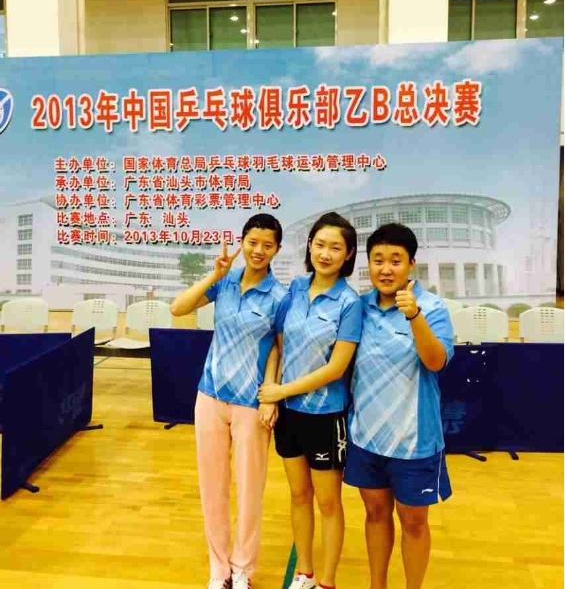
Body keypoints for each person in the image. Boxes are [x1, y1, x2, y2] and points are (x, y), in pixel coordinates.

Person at [170, 214, 287, 589]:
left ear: (277, 249)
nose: (258, 250)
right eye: (252, 242)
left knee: (250, 490)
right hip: (209, 396)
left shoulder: (280, 296)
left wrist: (270, 395)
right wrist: (214, 275)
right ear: (242, 242)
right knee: (213, 488)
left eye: (267, 244)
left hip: (251, 404)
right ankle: (218, 568)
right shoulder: (225, 282)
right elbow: (178, 308)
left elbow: (278, 348)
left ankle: (242, 570)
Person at [344, 222, 454, 589]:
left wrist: (414, 316)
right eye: (378, 260)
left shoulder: (432, 307)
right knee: (375, 514)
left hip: (414, 441)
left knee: (414, 523)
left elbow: (436, 362)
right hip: (366, 436)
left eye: (395, 260)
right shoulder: (359, 307)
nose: (386, 269)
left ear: (411, 265)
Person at [258, 212, 362, 589]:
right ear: (309, 246)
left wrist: (281, 391)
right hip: (289, 415)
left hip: (325, 416)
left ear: (348, 254)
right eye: (320, 244)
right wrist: (270, 394)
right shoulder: (297, 289)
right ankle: (304, 572)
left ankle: (327, 581)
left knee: (328, 503)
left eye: (335, 247)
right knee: (299, 495)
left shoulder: (350, 303)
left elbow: (336, 368)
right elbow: (279, 344)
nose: (325, 253)